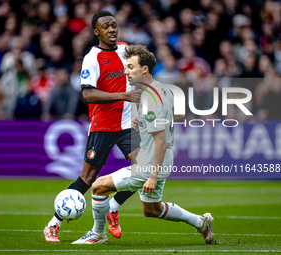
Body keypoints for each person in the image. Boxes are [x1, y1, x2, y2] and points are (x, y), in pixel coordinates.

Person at [72, 44, 214, 245]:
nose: (126, 71)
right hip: (163, 161)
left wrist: (152, 176)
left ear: (144, 69)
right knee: (152, 210)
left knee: (98, 187)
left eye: (130, 67)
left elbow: (161, 142)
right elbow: (180, 114)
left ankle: (97, 234)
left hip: (150, 164)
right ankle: (201, 222)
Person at [43, 10, 142, 242]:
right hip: (103, 125)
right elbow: (87, 94)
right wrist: (124, 96)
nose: (111, 30)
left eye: (114, 25)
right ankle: (53, 224)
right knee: (87, 178)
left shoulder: (125, 49)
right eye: (106, 26)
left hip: (127, 124)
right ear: (96, 31)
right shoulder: (92, 58)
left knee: (145, 170)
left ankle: (113, 207)